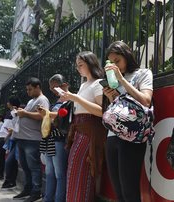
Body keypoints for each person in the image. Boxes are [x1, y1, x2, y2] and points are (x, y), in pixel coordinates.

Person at [102, 41, 153, 202]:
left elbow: (146, 100)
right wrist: (111, 96)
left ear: (127, 56)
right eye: (111, 62)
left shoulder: (143, 73)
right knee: (119, 192)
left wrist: (121, 80)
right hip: (112, 136)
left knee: (129, 191)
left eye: (117, 61)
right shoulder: (113, 80)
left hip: (133, 136)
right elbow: (118, 108)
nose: (115, 65)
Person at [60, 51, 107, 202]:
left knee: (81, 171)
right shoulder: (83, 85)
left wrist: (76, 98)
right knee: (73, 171)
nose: (78, 68)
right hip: (78, 130)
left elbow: (102, 111)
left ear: (90, 63)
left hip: (90, 131)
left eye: (81, 65)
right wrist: (70, 98)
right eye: (77, 65)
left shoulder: (99, 83)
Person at [12, 77, 50, 202]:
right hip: (23, 139)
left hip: (32, 139)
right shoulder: (31, 101)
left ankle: (36, 191)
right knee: (25, 166)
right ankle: (28, 189)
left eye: (30, 89)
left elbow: (42, 115)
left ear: (38, 87)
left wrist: (25, 113)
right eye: (27, 89)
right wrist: (22, 112)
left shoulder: (42, 100)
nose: (28, 92)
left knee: (34, 167)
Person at [38, 74, 69, 202]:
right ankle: (48, 198)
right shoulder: (58, 101)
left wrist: (48, 114)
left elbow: (65, 118)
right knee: (50, 173)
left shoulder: (69, 99)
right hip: (50, 139)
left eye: (54, 87)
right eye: (51, 88)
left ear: (64, 85)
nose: (53, 90)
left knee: (59, 174)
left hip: (59, 139)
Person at [1, 96, 21, 189]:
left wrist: (9, 134)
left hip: (17, 140)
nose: (7, 104)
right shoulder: (12, 114)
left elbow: (17, 127)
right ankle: (10, 181)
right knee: (12, 161)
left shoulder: (18, 114)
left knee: (10, 161)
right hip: (13, 140)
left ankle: (9, 181)